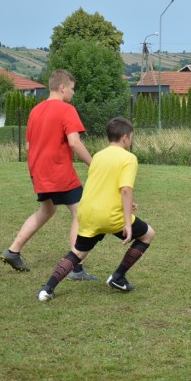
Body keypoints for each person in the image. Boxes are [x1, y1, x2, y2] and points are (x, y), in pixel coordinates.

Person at [37, 116, 155, 301]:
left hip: (88, 212)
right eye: (131, 136)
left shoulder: (98, 156)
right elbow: (125, 189)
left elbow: (102, 186)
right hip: (109, 216)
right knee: (148, 234)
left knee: (78, 252)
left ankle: (47, 289)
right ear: (125, 138)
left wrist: (126, 203)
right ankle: (118, 277)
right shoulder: (129, 158)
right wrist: (127, 222)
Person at [1, 69, 97, 281]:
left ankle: (13, 251)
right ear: (63, 87)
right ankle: (75, 267)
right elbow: (74, 142)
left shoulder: (35, 111)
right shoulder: (67, 109)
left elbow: (28, 145)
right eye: (72, 89)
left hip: (38, 170)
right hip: (58, 170)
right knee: (80, 213)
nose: (73, 94)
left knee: (47, 209)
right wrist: (94, 164)